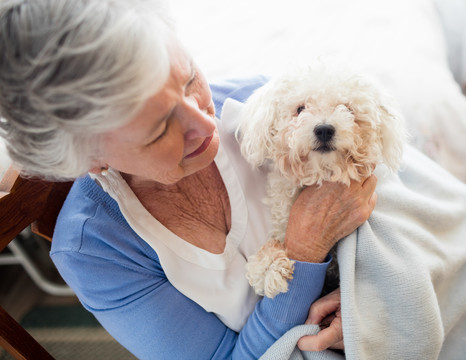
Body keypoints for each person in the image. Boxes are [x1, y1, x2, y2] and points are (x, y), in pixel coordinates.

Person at [0, 0, 377, 358]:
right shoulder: (97, 252)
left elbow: (399, 206)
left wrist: (368, 302)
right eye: (160, 127)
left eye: (190, 79)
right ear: (91, 160)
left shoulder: (262, 106)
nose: (205, 124)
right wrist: (305, 251)